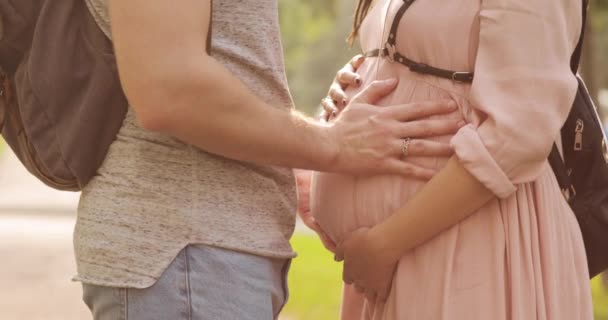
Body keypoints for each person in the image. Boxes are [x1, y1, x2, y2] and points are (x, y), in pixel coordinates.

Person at [76, 0, 463, 319]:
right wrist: (334, 144)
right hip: (187, 255)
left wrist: (289, 156)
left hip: (201, 259)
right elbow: (168, 89)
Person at [306, 0, 593, 319]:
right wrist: (358, 78)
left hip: (470, 244)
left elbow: (518, 132)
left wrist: (385, 244)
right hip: (389, 259)